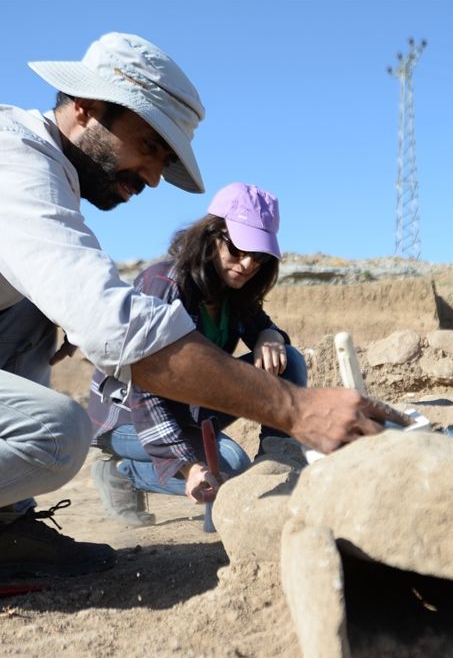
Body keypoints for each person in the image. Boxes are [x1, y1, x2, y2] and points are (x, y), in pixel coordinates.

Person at [0, 33, 401, 639]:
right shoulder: (3, 156)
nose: (153, 177)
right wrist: (294, 408)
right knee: (54, 434)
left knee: (39, 306)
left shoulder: (42, 181)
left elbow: (93, 306)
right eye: (149, 147)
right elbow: (122, 333)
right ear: (88, 108)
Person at [88, 182, 306, 524]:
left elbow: (267, 332)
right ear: (211, 236)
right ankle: (123, 473)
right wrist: (188, 467)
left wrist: (269, 335)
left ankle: (277, 460)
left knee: (288, 360)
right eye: (237, 248)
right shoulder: (165, 284)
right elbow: (147, 391)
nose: (248, 264)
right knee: (231, 468)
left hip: (189, 403)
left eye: (259, 257)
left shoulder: (232, 292)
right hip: (129, 414)